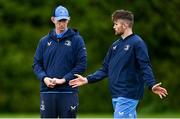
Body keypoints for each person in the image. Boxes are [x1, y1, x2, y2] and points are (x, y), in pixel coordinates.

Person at [69, 9, 168, 118]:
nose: (114, 27)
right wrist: (87, 79)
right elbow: (105, 69)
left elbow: (145, 66)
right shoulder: (115, 46)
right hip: (116, 94)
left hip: (128, 94)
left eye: (116, 24)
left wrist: (152, 84)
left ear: (125, 25)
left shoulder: (137, 43)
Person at [32, 5, 87, 118]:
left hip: (68, 92)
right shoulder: (44, 41)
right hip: (47, 91)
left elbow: (81, 65)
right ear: (53, 20)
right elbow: (36, 64)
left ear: (68, 20)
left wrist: (63, 80)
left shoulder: (77, 40)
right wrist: (45, 78)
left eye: (64, 20)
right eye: (59, 20)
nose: (62, 24)